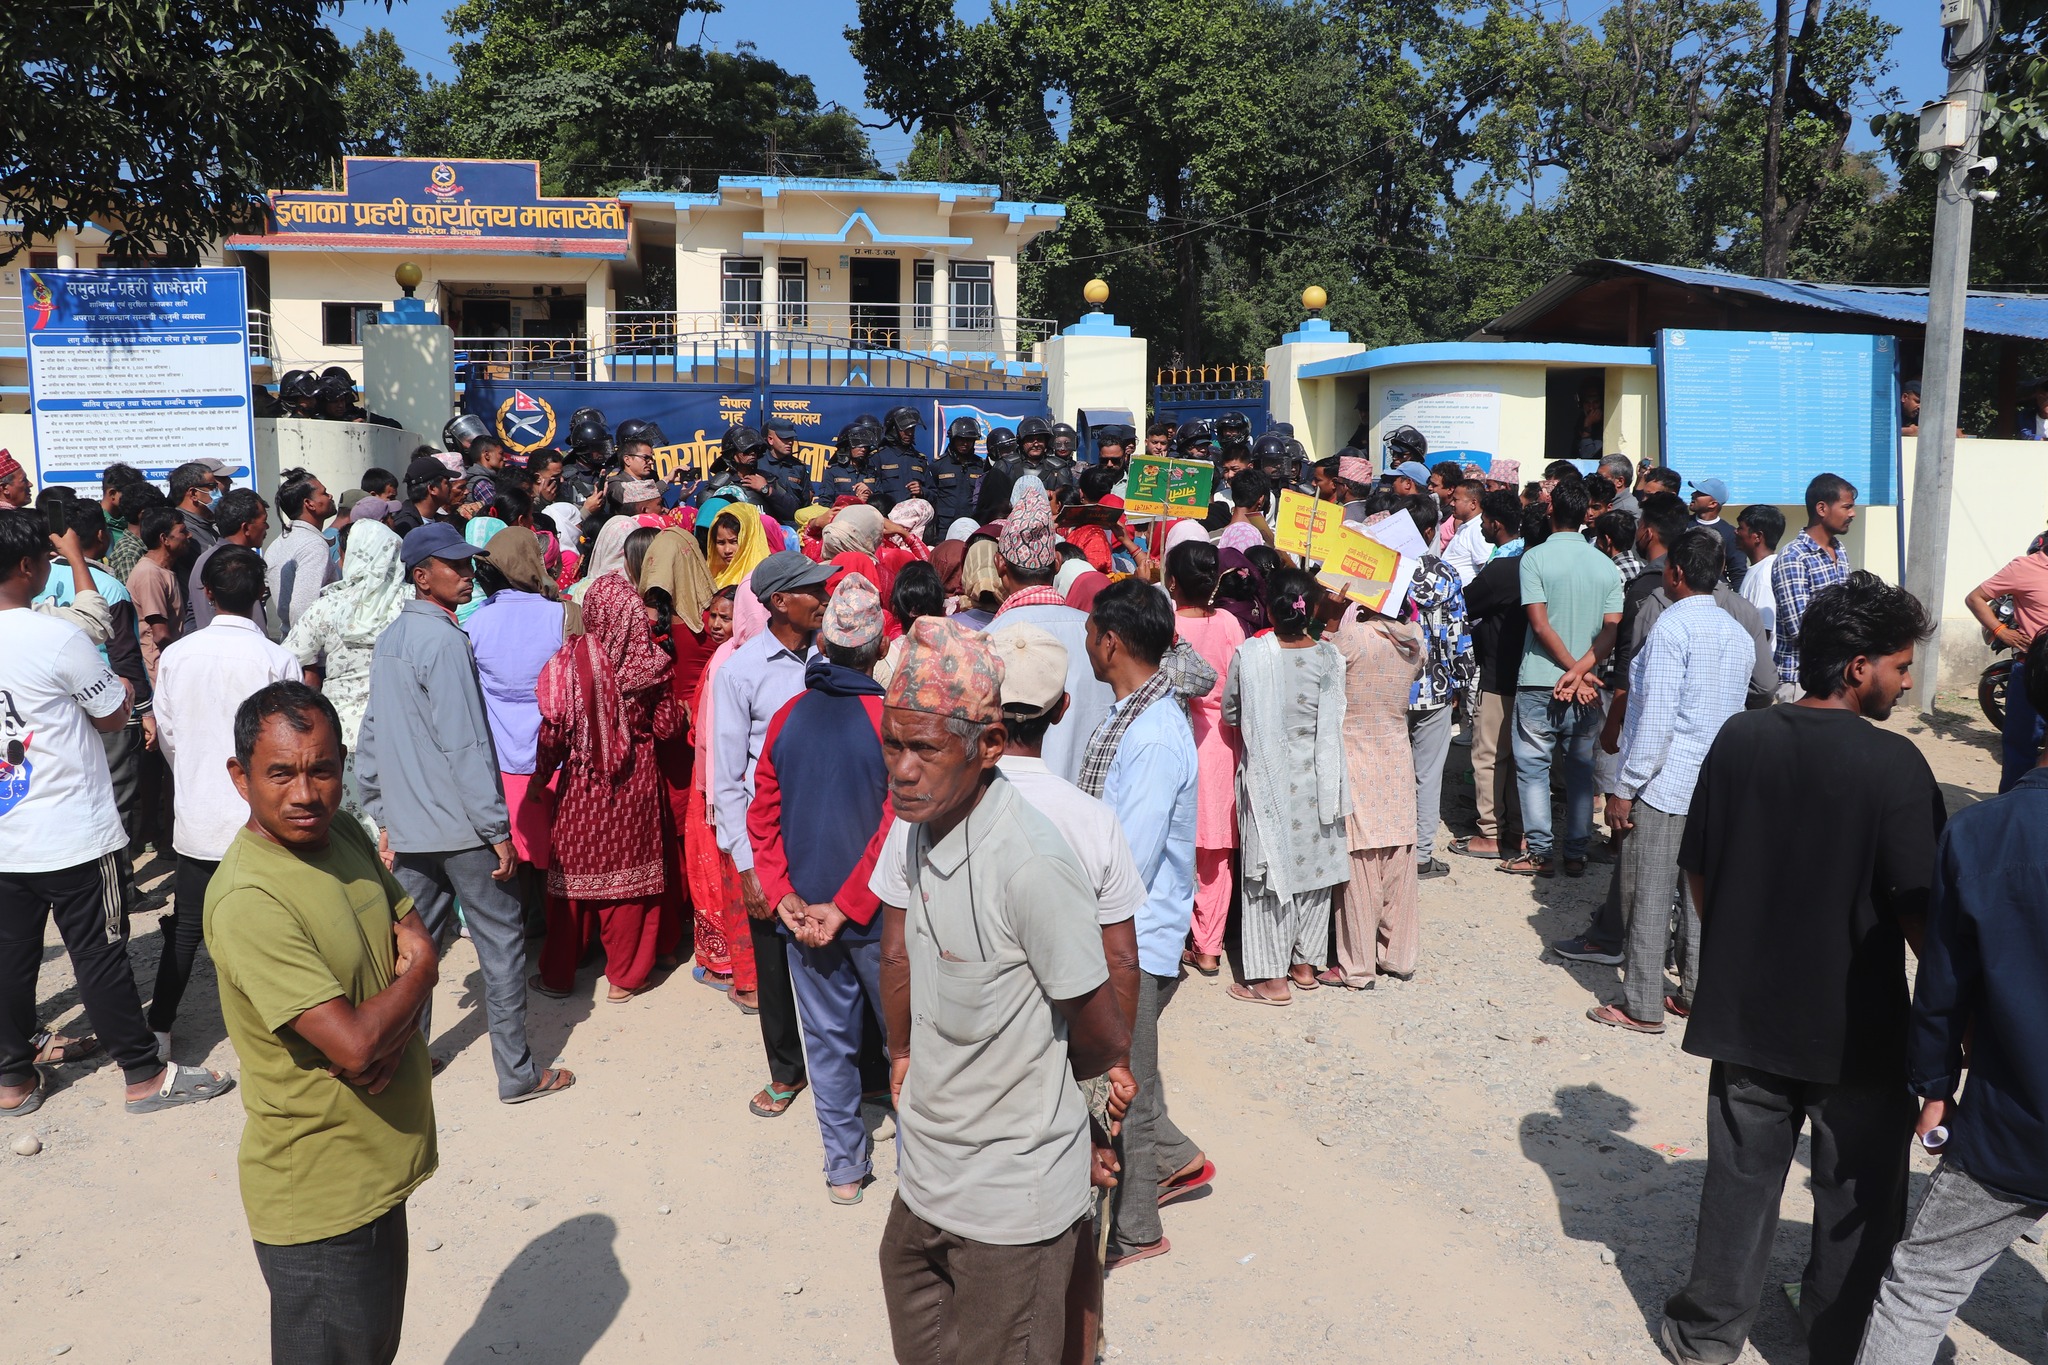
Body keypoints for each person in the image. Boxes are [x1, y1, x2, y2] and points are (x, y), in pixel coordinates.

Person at [1660, 572, 1941, 1365]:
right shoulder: (1896, 768)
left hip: (1746, 1014)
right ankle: (1836, 1338)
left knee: (1740, 1181)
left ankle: (1706, 1333)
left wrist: (1746, 951)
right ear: (1858, 668)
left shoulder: (1740, 738)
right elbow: (1922, 916)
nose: (1906, 677)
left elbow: (1701, 871)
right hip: (1859, 1032)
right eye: (1898, 663)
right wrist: (1950, 1018)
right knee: (1855, 1198)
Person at [871, 617, 1132, 1365]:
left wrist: (1076, 1131)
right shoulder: (919, 828)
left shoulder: (1031, 865)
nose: (903, 768)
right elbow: (903, 961)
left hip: (1008, 1206)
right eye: (893, 743)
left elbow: (1104, 1035)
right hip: (926, 1180)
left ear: (987, 747)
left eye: (925, 747)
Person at [205, 682, 436, 1365]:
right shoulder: (251, 896)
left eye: (322, 768)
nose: (304, 792)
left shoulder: (342, 830)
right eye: (279, 772)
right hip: (320, 1195)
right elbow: (359, 1036)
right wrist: (416, 979)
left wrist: (390, 1009)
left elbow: (413, 931)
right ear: (240, 776)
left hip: (376, 1168)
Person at [1853, 633, 2048, 1363]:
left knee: (1923, 1283)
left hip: (2014, 1116)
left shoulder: (1979, 833)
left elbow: (1941, 985)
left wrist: (1933, 1089)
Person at [0, 508, 233, 1119]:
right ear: (28, 567)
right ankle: (143, 1074)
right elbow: (110, 714)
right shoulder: (56, 637)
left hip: (6, 833)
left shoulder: (50, 634)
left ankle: (11, 1079)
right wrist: (127, 692)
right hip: (74, 830)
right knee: (101, 953)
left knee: (11, 954)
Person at [357, 523, 572, 1105]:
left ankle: (407, 1059)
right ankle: (518, 1072)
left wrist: (379, 811)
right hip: (460, 826)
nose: (467, 572)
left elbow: (371, 733)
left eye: (467, 562)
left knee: (414, 947)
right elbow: (466, 744)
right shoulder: (448, 641)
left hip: (411, 824)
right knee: (500, 942)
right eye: (453, 565)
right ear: (421, 576)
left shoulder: (393, 638)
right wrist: (496, 828)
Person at [747, 574, 895, 1203]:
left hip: (804, 915)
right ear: (879, 645)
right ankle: (924, 1173)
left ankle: (843, 1169)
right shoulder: (887, 719)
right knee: (904, 1043)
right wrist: (848, 905)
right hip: (874, 918)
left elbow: (763, 817)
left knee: (828, 1044)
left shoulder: (788, 716)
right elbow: (897, 821)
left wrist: (783, 897)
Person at [1079, 578, 1208, 1267]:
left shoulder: (1154, 732)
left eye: (1092, 629)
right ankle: (1177, 1160)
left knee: (1119, 1081)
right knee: (1136, 1071)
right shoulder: (1135, 710)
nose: (1087, 641)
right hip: (1121, 926)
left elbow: (1128, 851)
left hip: (1132, 936)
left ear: (1113, 640)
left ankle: (1138, 1230)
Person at [1584, 530, 1754, 1035]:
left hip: (1665, 785)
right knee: (1700, 896)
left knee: (1650, 894)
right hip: (1714, 783)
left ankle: (1641, 1004)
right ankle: (1696, 992)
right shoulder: (1738, 633)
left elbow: (1656, 721)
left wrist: (1624, 788)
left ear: (1675, 574)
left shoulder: (1671, 630)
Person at [154, 545, 303, 1056]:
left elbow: (169, 735)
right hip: (260, 819)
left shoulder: (176, 655)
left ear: (207, 594)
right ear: (262, 593)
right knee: (278, 923)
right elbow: (291, 743)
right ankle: (289, 1025)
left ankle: (159, 1029)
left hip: (198, 813)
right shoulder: (277, 659)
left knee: (187, 926)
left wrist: (194, 776)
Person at [713, 550, 833, 1119]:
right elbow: (727, 777)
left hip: (826, 826)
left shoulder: (832, 656)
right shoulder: (741, 671)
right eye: (813, 590)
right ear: (780, 602)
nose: (825, 598)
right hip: (768, 835)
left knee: (839, 943)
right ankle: (787, 1070)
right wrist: (747, 866)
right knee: (774, 958)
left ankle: (863, 1070)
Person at [532, 573, 680, 1002]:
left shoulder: (569, 663)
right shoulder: (649, 665)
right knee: (629, 886)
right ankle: (626, 979)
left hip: (582, 788)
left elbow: (553, 731)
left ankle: (558, 975)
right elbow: (668, 729)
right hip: (633, 788)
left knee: (571, 886)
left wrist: (541, 777)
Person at [1224, 568, 1350, 1005]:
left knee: (1269, 874)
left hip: (1268, 778)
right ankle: (1305, 965)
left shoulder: (1251, 653)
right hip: (1319, 778)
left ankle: (1272, 981)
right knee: (1313, 870)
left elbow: (1232, 713)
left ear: (1270, 607)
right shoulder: (1331, 657)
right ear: (1312, 607)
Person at [1500, 478, 1621, 879]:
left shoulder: (1533, 560)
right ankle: (1576, 852)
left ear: (1551, 511)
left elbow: (1540, 625)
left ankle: (1539, 853)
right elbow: (1610, 631)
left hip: (1540, 679)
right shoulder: (1605, 565)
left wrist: (1570, 671)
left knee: (1533, 769)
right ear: (1587, 513)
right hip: (1587, 686)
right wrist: (1582, 673)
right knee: (1580, 770)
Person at [464, 526, 579, 900]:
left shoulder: (475, 623)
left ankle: (526, 923)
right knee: (560, 850)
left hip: (502, 760)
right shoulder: (561, 616)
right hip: (556, 757)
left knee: (515, 851)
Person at [1326, 577, 1425, 986]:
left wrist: (1332, 614)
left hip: (1356, 755)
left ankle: (1358, 965)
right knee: (1398, 856)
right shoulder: (1415, 643)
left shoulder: (1352, 638)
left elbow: (1322, 659)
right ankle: (1398, 955)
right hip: (1396, 755)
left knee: (1361, 862)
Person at [283, 520, 408, 838]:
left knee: (348, 824)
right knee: (395, 824)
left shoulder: (328, 606)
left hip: (340, 732)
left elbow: (290, 658)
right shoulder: (408, 604)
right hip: (399, 728)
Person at [990, 485, 1113, 782]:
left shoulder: (988, 639)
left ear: (999, 564)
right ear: (1057, 563)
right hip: (1090, 807)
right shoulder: (1102, 637)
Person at [1163, 540, 1243, 977]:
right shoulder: (1230, 623)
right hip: (1220, 744)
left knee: (1174, 849)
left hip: (1176, 740)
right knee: (1215, 855)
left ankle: (1173, 942)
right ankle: (1209, 948)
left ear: (1172, 581)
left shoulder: (1166, 623)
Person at [1455, 495, 1539, 861]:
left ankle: (1490, 834)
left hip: (1500, 676)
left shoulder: (1504, 571)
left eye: (1486, 519)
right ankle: (1520, 833)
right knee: (1529, 759)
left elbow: (1461, 604)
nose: (1483, 526)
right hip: (1542, 678)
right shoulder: (1543, 570)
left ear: (1496, 523)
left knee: (1489, 755)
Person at [1401, 493, 1475, 880]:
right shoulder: (1445, 575)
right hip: (1434, 687)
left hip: (1388, 685)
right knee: (1427, 776)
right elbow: (1456, 636)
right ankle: (1421, 856)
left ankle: (1387, 851)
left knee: (1387, 769)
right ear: (1430, 530)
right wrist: (1462, 681)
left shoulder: (1386, 568)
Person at [1963, 538, 2048, 789]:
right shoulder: (2024, 567)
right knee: (2021, 749)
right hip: (2032, 670)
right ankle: (2011, 811)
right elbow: (1975, 598)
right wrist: (2000, 630)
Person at [1772, 472, 1856, 702]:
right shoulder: (1794, 556)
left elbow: (1846, 610)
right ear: (1822, 509)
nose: (1852, 513)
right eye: (1846, 506)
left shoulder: (1839, 551)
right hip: (1800, 678)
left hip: (1834, 674)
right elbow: (1801, 628)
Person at [266, 468, 338, 637]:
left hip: (291, 642)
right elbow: (303, 608)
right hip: (312, 652)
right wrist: (309, 660)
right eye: (324, 493)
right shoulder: (313, 545)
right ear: (309, 504)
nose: (330, 497)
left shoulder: (278, 543)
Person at [187, 487, 271, 634]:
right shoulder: (236, 564)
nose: (267, 527)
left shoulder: (204, 560)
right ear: (246, 528)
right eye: (264, 521)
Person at [129, 506, 191, 684]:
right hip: (159, 673)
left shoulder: (163, 571)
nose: (189, 536)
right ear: (164, 539)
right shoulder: (150, 574)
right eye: (183, 531)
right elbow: (160, 635)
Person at [1734, 503, 1785, 649]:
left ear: (1757, 536)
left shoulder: (1765, 574)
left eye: (1740, 528)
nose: (1735, 532)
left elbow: (1763, 631)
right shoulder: (1758, 569)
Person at [1686, 477, 1745, 589]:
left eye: (1700, 493)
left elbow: (1737, 572)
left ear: (1713, 504)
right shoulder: (1681, 525)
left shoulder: (1729, 533)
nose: (1693, 494)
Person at [387, 454, 461, 539]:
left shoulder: (436, 519)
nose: (451, 488)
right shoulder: (407, 527)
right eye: (447, 483)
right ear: (432, 489)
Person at [1439, 476, 1488, 584]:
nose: (1452, 504)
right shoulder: (1467, 526)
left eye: (1456, 500)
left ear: (1473, 504)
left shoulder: (1478, 529)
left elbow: (1485, 568)